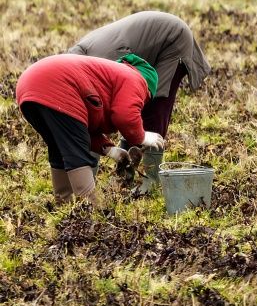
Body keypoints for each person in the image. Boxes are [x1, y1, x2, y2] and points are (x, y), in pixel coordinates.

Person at [16, 53, 165, 207]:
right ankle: (92, 211)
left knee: (59, 147)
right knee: (77, 154)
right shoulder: (136, 79)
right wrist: (141, 137)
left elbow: (81, 130)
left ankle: (63, 205)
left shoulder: (112, 77)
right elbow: (124, 115)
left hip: (28, 86)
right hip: (57, 84)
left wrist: (110, 150)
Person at [69, 11, 211, 138]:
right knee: (135, 104)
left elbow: (116, 101)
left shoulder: (103, 60)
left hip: (173, 39)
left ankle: (150, 162)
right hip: (151, 39)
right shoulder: (81, 55)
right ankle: (132, 155)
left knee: (155, 103)